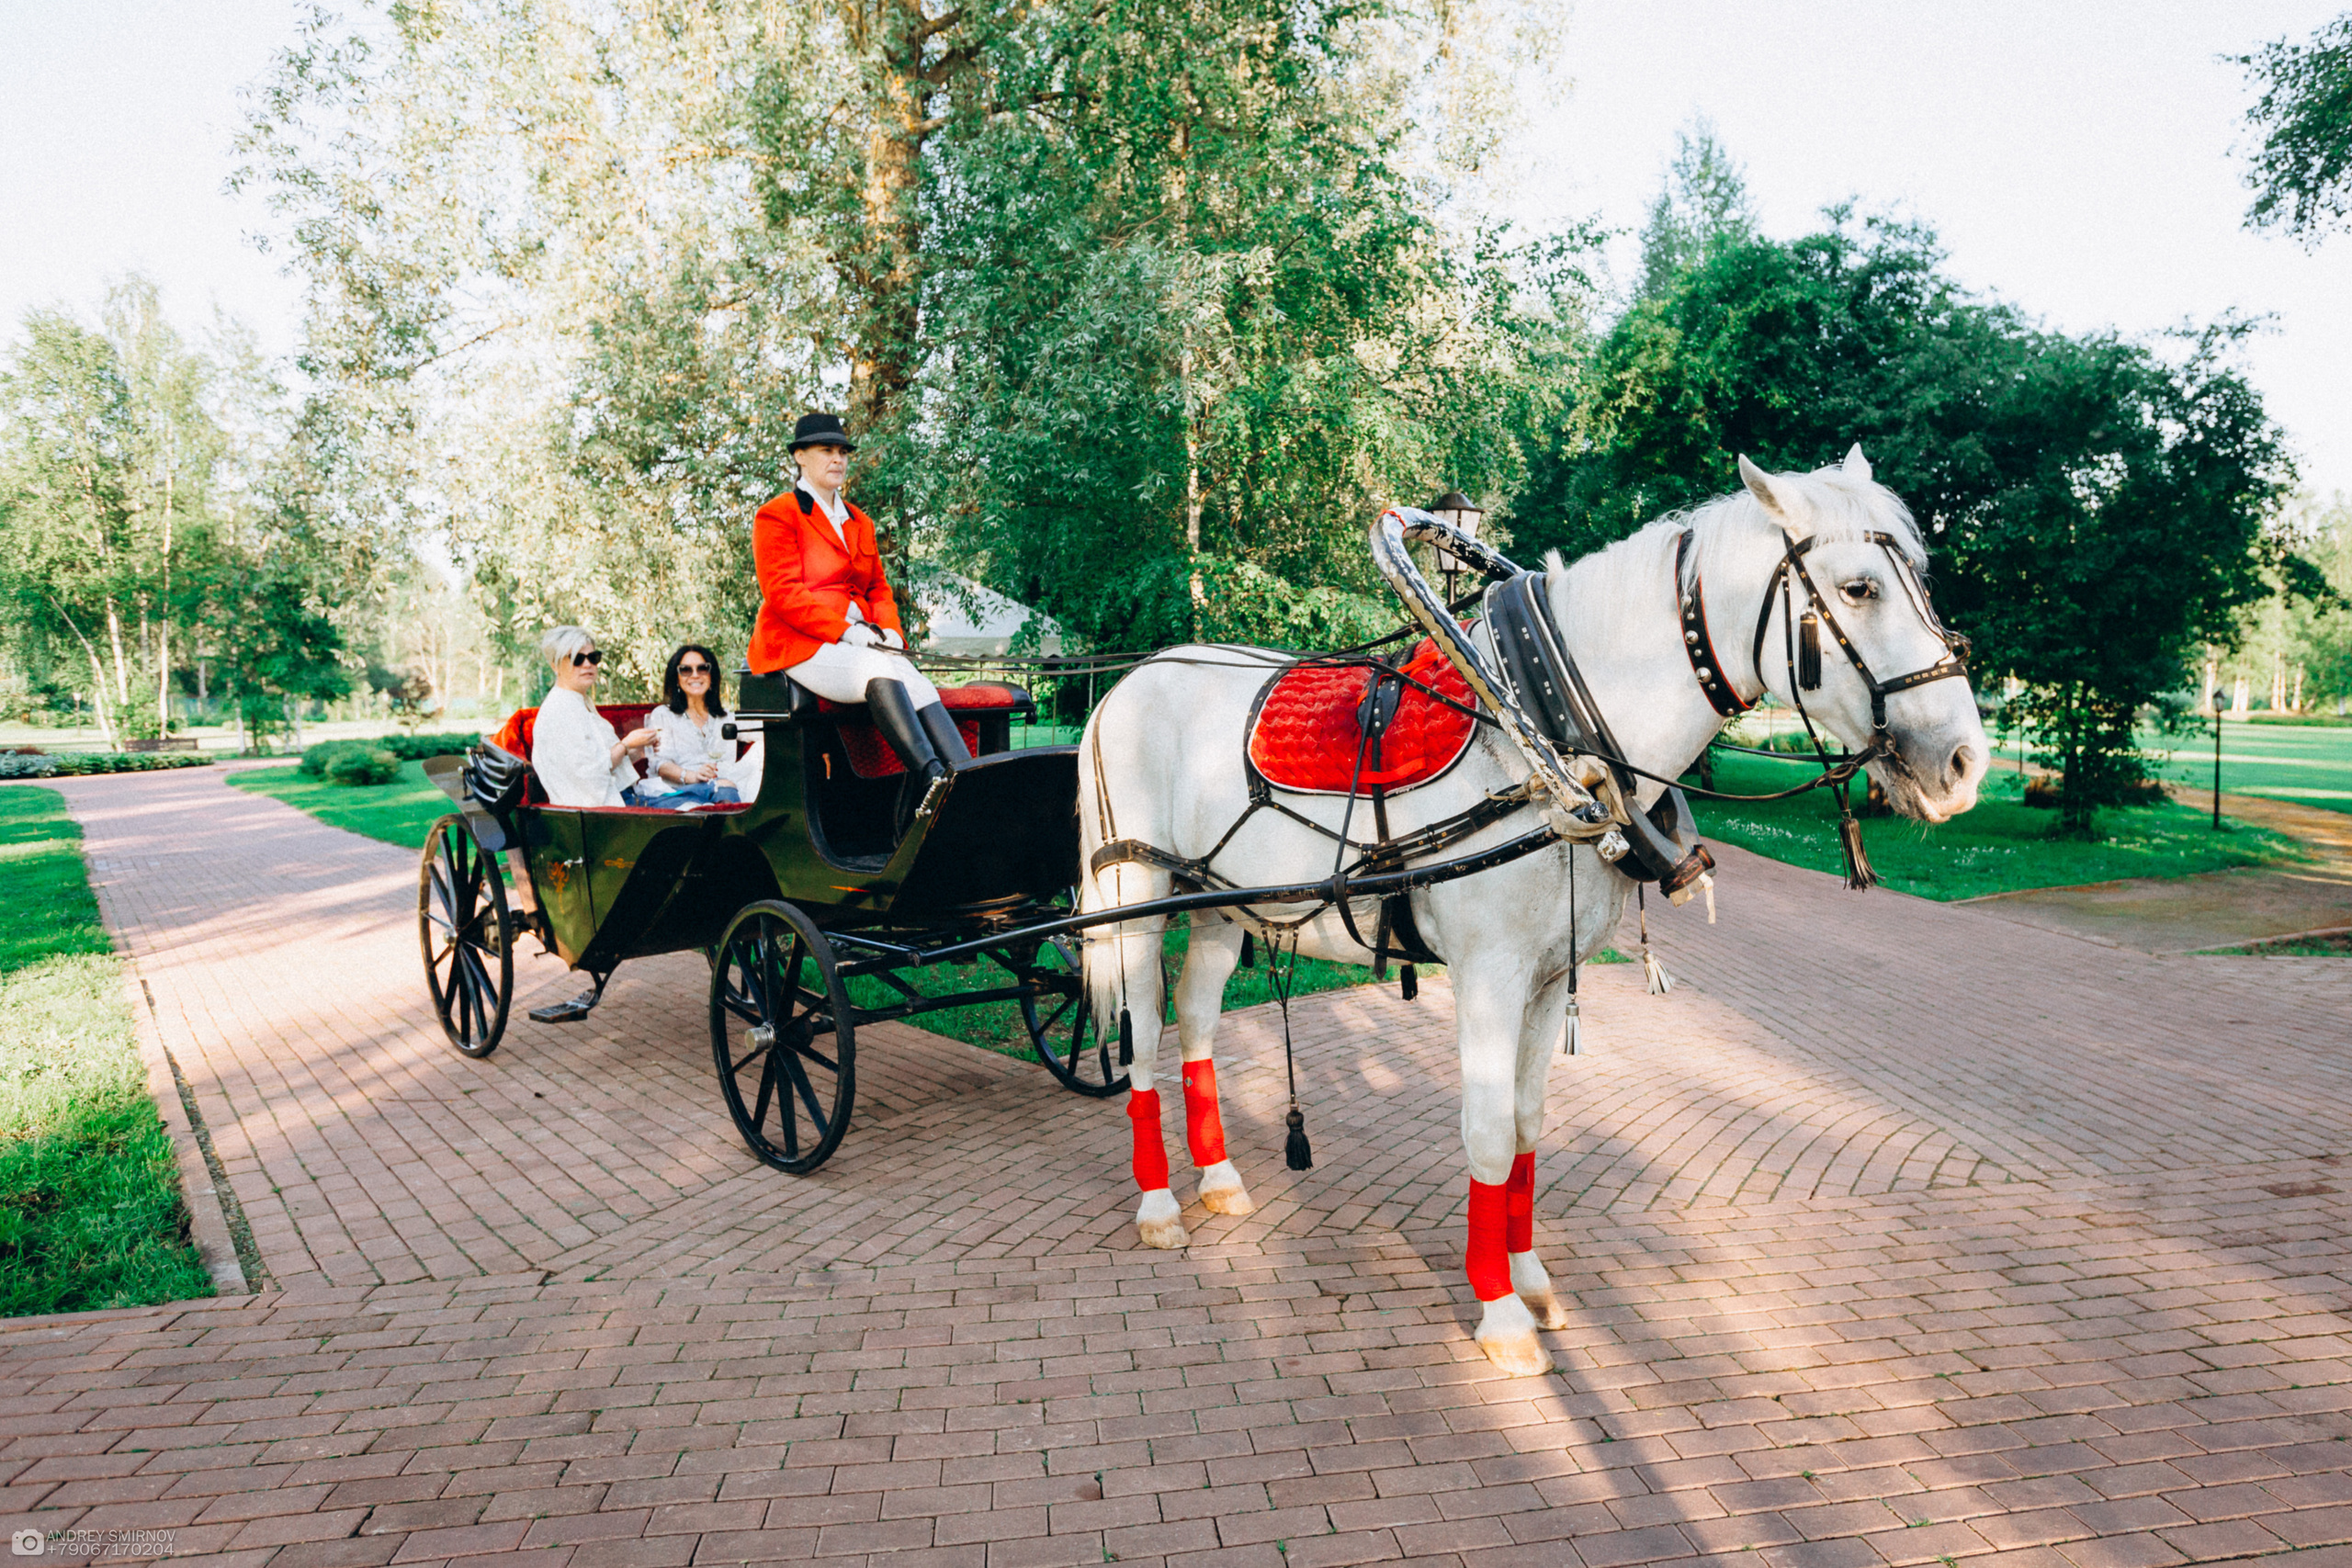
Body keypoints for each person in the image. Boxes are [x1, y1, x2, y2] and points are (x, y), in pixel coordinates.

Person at [749, 412, 968, 821]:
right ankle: (931, 777)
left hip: (858, 643)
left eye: (843, 451)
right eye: (826, 450)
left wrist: (890, 631)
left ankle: (965, 779)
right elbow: (783, 595)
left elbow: (877, 590)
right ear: (800, 456)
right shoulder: (778, 514)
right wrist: (847, 632)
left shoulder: (859, 521)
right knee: (873, 668)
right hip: (800, 644)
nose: (838, 459)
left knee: (917, 683)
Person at [531, 626, 660, 807]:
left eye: (593, 658)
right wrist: (625, 744)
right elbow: (592, 773)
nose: (587, 665)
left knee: (700, 797)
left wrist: (638, 750)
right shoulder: (559, 710)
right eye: (577, 658)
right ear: (555, 665)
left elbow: (602, 761)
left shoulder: (579, 701)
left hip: (621, 799)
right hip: (600, 813)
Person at [639, 644, 750, 809]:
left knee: (728, 789)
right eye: (686, 670)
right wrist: (692, 776)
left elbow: (761, 732)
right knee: (703, 803)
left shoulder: (726, 717)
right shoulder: (663, 715)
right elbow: (660, 764)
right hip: (677, 793)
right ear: (676, 678)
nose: (695, 675)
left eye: (702, 668)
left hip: (722, 789)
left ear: (712, 676)